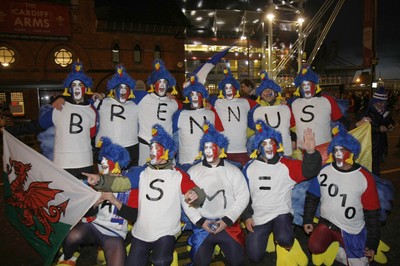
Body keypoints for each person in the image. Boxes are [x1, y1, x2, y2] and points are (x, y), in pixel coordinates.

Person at [84, 124, 205, 266]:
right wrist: (100, 180)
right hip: (141, 231)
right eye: (151, 148)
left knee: (160, 261)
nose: (152, 152)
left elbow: (196, 193)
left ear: (167, 151)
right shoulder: (141, 172)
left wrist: (195, 195)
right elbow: (121, 183)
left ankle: (168, 255)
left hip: (166, 231)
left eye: (156, 148)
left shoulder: (178, 174)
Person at [242, 120, 321, 264]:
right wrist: (247, 216)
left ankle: (286, 242)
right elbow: (243, 195)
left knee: (284, 237)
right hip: (259, 215)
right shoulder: (249, 167)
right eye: (264, 144)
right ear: (258, 147)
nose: (268, 147)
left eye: (271, 143)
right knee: (254, 256)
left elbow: (310, 171)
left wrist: (310, 152)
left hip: (281, 212)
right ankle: (270, 237)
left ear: (277, 145)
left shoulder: (287, 164)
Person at [303, 124, 381, 265]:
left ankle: (345, 249)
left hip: (352, 229)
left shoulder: (364, 177)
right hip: (327, 224)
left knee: (361, 263)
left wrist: (372, 243)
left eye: (343, 149)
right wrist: (307, 219)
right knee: (314, 246)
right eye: (336, 150)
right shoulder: (324, 170)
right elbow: (312, 197)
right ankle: (336, 247)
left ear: (352, 152)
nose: (338, 153)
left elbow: (372, 214)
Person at [57, 137, 136, 266]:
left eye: (105, 166)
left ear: (116, 165)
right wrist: (94, 203)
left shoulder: (129, 184)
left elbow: (135, 216)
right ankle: (69, 256)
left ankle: (103, 251)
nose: (101, 170)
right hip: (94, 226)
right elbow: (86, 214)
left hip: (114, 233)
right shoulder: (97, 180)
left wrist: (115, 201)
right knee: (72, 236)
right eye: (101, 165)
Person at [182, 121, 250, 266]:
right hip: (203, 226)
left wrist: (227, 220)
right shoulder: (193, 172)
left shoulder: (233, 170)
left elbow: (243, 197)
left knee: (238, 261)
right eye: (206, 147)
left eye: (213, 147)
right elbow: (185, 199)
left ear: (221, 149)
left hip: (228, 225)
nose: (209, 150)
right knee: (199, 262)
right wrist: (200, 221)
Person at [38, 61, 97, 179]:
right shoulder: (59, 106)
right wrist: (10, 130)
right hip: (63, 163)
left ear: (86, 88)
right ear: (69, 88)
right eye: (74, 85)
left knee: (84, 195)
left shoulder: (91, 109)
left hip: (85, 162)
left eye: (80, 85)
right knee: (64, 196)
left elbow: (92, 134)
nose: (77, 89)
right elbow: (39, 124)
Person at [92, 64, 139, 168]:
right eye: (120, 87)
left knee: (128, 180)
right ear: (114, 89)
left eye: (126, 87)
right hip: (107, 147)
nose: (123, 90)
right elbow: (80, 104)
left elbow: (153, 96)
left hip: (130, 147)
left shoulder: (135, 104)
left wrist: (168, 95)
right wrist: (60, 98)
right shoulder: (101, 102)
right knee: (105, 179)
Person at [172, 74, 223, 169]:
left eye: (198, 94)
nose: (195, 97)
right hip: (186, 161)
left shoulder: (211, 114)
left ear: (203, 97)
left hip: (207, 161)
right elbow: (173, 139)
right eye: (192, 94)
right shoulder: (179, 115)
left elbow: (217, 137)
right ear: (188, 97)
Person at [209, 68, 257, 167]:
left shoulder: (245, 102)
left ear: (236, 89)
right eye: (226, 88)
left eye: (231, 87)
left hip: (242, 150)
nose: (229, 90)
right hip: (223, 150)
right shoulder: (217, 102)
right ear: (222, 90)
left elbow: (263, 108)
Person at [291, 66, 347, 149]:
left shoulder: (327, 100)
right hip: (302, 150)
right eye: (303, 85)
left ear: (315, 85)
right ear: (299, 88)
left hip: (324, 148)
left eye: (309, 84)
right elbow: (290, 126)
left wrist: (358, 124)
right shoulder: (293, 103)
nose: (306, 87)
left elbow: (340, 120)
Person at [137, 59, 181, 165]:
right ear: (153, 83)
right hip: (146, 144)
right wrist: (100, 96)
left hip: (165, 145)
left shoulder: (174, 102)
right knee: (144, 174)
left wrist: (208, 105)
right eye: (159, 82)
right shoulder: (141, 97)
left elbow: (191, 109)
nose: (162, 85)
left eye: (165, 82)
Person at [248, 70, 296, 156]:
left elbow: (293, 127)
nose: (267, 92)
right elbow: (251, 133)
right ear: (260, 95)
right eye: (264, 91)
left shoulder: (285, 107)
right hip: (267, 153)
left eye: (270, 90)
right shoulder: (256, 111)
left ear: (276, 93)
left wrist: (294, 140)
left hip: (286, 151)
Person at [356, 87, 395, 176]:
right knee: (369, 170)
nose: (382, 105)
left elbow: (390, 121)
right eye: (380, 102)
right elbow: (359, 129)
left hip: (380, 145)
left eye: (384, 102)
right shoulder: (365, 111)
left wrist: (391, 126)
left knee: (376, 169)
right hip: (369, 146)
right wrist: (378, 129)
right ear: (374, 101)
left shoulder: (385, 111)